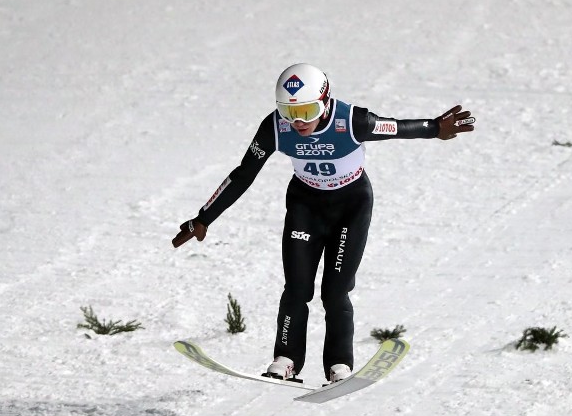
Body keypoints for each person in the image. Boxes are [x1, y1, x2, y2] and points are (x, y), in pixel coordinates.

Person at [174, 63, 475, 383]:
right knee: (297, 287)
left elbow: (396, 127)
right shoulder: (276, 127)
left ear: (326, 101)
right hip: (307, 206)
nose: (298, 121)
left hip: (351, 208)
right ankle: (286, 358)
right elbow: (243, 174)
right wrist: (204, 217)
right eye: (290, 112)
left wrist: (434, 127)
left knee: (335, 292)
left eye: (306, 110)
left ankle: (339, 364)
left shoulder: (352, 120)